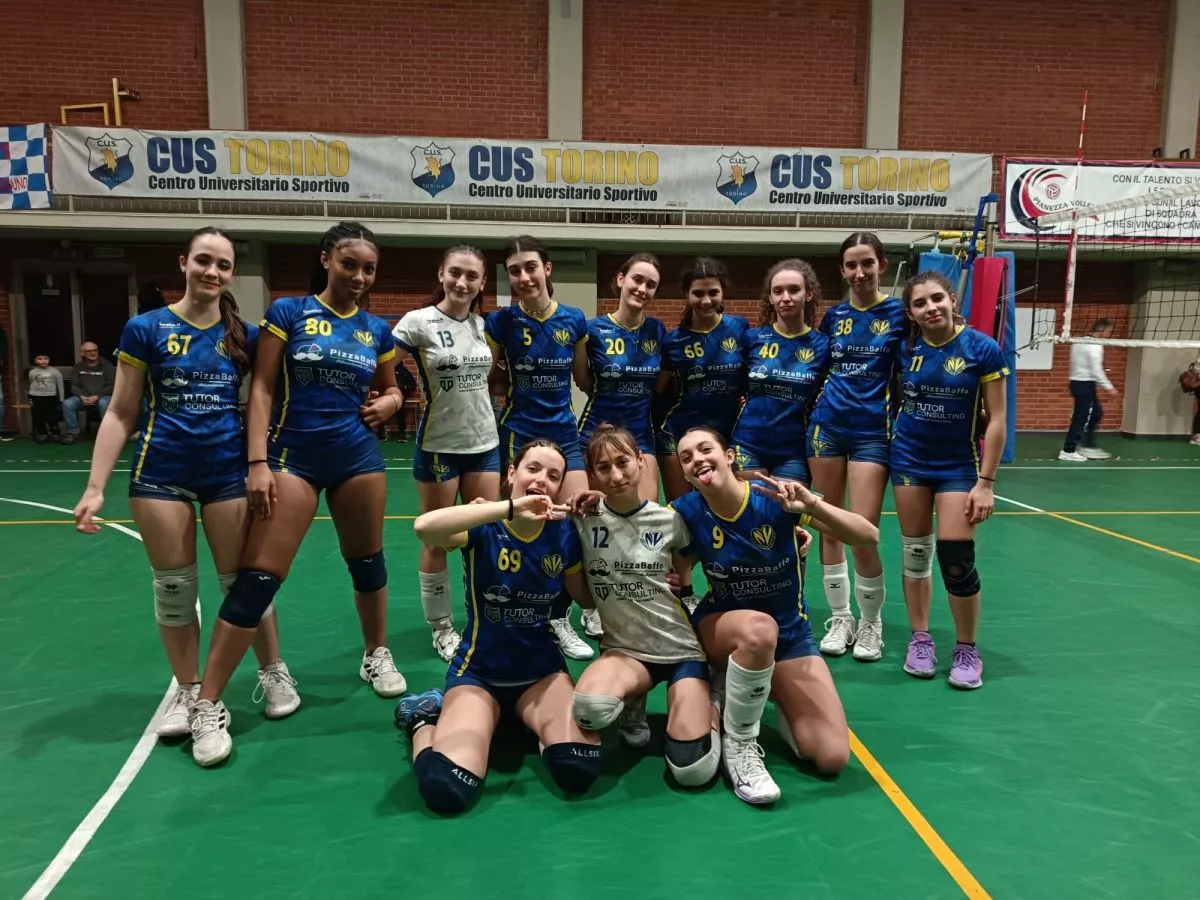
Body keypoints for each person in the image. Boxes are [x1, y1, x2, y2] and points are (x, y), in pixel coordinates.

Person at [188, 221, 407, 768]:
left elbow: (391, 388)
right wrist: (257, 461)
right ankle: (207, 703)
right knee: (258, 579)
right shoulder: (288, 312)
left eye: (369, 269)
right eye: (350, 264)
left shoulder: (376, 330)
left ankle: (375, 653)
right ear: (327, 259)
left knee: (369, 565)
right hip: (293, 458)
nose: (360, 277)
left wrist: (393, 402)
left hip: (357, 457)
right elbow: (261, 386)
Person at [72, 227, 298, 739]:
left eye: (222, 264)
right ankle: (190, 688)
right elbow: (121, 412)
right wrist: (94, 486)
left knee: (243, 584)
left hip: (227, 473)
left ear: (231, 274)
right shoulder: (145, 328)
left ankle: (272, 669)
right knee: (174, 589)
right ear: (184, 263)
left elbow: (269, 397)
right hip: (161, 473)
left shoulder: (246, 335)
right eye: (203, 261)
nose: (212, 272)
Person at [671, 426, 878, 805]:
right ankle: (739, 743)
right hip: (724, 628)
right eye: (687, 457)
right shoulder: (685, 511)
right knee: (758, 629)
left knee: (831, 757)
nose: (697, 459)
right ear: (685, 473)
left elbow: (868, 536)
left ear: (729, 456)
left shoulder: (775, 498)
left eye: (705, 449)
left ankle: (758, 688)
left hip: (789, 637)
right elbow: (637, 530)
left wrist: (811, 507)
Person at [395, 439, 603, 815]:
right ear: (511, 473)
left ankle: (525, 719)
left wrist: (604, 521)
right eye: (532, 469)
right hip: (480, 675)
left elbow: (589, 600)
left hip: (541, 675)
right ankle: (422, 719)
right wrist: (506, 507)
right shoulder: (484, 524)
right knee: (446, 787)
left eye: (553, 475)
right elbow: (424, 528)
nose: (541, 480)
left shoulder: (564, 534)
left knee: (578, 767)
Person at [567, 424, 720, 790]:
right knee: (588, 710)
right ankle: (632, 699)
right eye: (603, 468)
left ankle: (713, 706)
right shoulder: (583, 518)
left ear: (640, 461)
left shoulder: (669, 519)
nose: (615, 475)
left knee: (692, 771)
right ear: (592, 474)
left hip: (681, 650)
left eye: (623, 462)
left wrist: (680, 579)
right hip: (625, 651)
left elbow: (705, 551)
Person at [890, 272, 1009, 690]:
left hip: (958, 465)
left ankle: (966, 648)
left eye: (937, 298)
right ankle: (920, 640)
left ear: (952, 299)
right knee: (915, 555)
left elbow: (998, 419)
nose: (931, 307)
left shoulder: (981, 348)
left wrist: (986, 482)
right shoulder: (906, 348)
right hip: (908, 460)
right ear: (911, 313)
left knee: (956, 559)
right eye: (920, 303)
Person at [485, 235, 593, 660]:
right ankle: (514, 608)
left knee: (575, 520)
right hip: (518, 434)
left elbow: (583, 379)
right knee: (518, 524)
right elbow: (489, 376)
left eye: (530, 267)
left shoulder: (573, 319)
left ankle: (560, 615)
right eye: (514, 271)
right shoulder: (501, 322)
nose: (524, 277)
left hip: (563, 433)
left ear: (547, 269)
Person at [392, 245, 500, 662]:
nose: (462, 282)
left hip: (485, 445)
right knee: (437, 538)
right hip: (440, 446)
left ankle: (487, 616)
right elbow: (383, 364)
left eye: (472, 276)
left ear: (482, 283)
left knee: (484, 536)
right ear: (441, 273)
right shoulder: (417, 322)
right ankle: (441, 626)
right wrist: (390, 396)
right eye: (455, 273)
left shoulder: (482, 325)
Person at [806, 232, 907, 663]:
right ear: (842, 270)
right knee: (828, 524)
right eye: (851, 265)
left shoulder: (901, 314)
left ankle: (871, 623)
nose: (859, 272)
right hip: (826, 428)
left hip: (872, 433)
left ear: (882, 265)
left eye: (867, 263)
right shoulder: (834, 317)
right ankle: (841, 617)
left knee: (862, 531)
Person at [572, 252, 666, 639]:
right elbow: (583, 380)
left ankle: (634, 599)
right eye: (637, 280)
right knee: (594, 523)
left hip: (641, 436)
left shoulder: (657, 330)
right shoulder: (593, 330)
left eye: (651, 284)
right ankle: (592, 605)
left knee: (643, 523)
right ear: (621, 279)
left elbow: (661, 383)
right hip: (595, 435)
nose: (642, 289)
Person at [656, 257, 749, 502]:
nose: (706, 300)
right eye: (698, 293)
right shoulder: (673, 341)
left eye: (713, 292)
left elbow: (752, 373)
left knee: (728, 505)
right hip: (678, 433)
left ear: (723, 292)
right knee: (683, 509)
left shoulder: (740, 328)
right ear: (686, 294)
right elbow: (660, 390)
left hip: (729, 433)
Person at [732, 259, 830, 485]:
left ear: (808, 294)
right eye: (778, 291)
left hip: (794, 449)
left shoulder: (823, 344)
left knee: (787, 507)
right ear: (770, 297)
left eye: (794, 290)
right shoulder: (752, 338)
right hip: (747, 442)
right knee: (751, 506)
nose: (786, 297)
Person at [1059, 318, 1117, 461]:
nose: (1109, 335)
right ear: (1102, 331)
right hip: (1085, 385)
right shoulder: (1095, 346)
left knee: (1096, 413)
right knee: (1082, 418)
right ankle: (1068, 450)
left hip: (1076, 383)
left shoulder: (1078, 341)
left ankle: (1087, 445)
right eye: (1109, 332)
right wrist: (1109, 387)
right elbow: (1096, 371)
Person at [62, 341, 115, 443]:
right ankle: (72, 433)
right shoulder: (78, 367)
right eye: (89, 351)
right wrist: (81, 396)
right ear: (82, 353)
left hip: (103, 397)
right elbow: (74, 386)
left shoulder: (107, 365)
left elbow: (111, 385)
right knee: (67, 404)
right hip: (84, 397)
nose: (93, 353)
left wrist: (97, 396)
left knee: (104, 403)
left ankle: (106, 433)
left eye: (95, 350)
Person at [26, 353, 64, 442]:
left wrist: (61, 399)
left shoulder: (55, 372)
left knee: (52, 416)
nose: (43, 360)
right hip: (35, 397)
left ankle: (55, 433)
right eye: (40, 358)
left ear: (49, 359)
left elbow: (60, 386)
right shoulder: (32, 372)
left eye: (45, 358)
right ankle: (42, 433)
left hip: (50, 396)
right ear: (35, 361)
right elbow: (30, 382)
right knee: (38, 416)